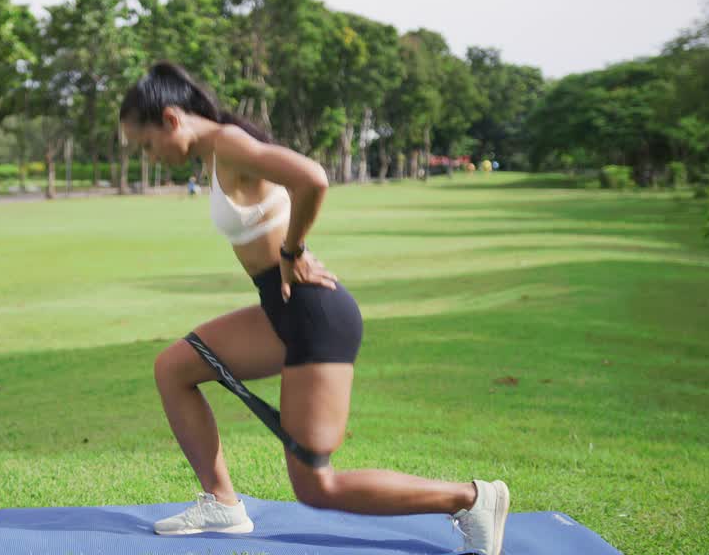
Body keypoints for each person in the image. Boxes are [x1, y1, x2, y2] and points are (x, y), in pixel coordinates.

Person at [118, 61, 510, 555]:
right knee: (174, 366)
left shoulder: (230, 145)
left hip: (313, 317)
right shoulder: (220, 151)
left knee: (316, 486)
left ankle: (471, 499)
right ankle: (222, 504)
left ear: (172, 119)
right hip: (282, 311)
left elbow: (313, 178)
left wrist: (292, 251)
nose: (150, 157)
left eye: (147, 144)